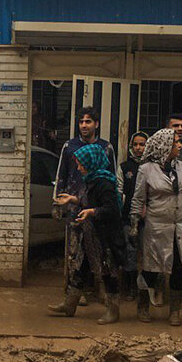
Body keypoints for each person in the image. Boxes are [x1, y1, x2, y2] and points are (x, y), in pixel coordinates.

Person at [129, 128, 182, 326]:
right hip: (157, 227)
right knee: (152, 269)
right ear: (164, 146)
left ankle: (175, 312)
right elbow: (138, 198)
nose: (178, 146)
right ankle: (143, 306)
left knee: (180, 267)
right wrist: (134, 223)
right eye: (174, 144)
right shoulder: (146, 169)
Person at [48, 143, 126, 323]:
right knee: (81, 266)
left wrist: (91, 212)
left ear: (91, 162)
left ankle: (113, 310)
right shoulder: (92, 179)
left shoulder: (104, 183)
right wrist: (73, 199)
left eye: (81, 164)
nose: (78, 167)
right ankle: (70, 304)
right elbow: (88, 200)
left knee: (108, 271)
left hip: (106, 236)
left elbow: (111, 209)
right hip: (92, 234)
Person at [54, 107, 117, 303]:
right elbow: (61, 175)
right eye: (81, 121)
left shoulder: (106, 148)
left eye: (88, 121)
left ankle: (101, 289)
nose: (84, 125)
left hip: (98, 209)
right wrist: (56, 203)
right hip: (75, 208)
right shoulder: (69, 146)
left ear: (96, 124)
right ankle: (74, 293)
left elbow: (112, 177)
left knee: (99, 249)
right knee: (74, 251)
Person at [118, 131, 148, 302]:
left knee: (147, 254)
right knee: (129, 252)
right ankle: (130, 288)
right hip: (127, 218)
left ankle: (146, 289)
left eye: (142, 144)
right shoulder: (124, 167)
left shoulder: (153, 167)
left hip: (147, 219)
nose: (138, 148)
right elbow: (119, 191)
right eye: (135, 144)